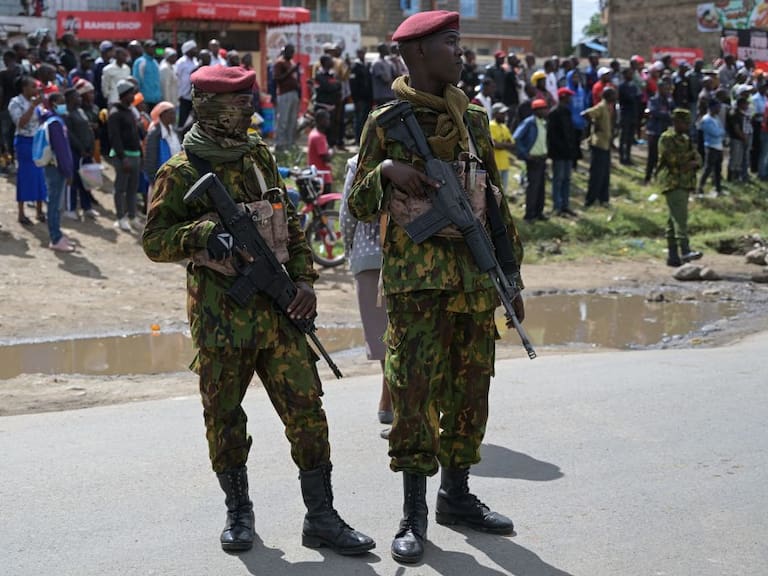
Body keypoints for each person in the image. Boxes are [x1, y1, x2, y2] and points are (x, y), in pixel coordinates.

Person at [142, 63, 375, 556]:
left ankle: (322, 517)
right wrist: (202, 234)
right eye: (240, 102)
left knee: (307, 413)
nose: (251, 109)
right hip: (221, 319)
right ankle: (239, 513)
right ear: (210, 107)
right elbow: (155, 240)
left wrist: (307, 281)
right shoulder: (181, 170)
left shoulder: (259, 158)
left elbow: (289, 222)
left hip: (281, 311)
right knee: (224, 417)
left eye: (250, 100)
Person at [349, 11, 523, 563]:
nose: (461, 53)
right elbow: (355, 204)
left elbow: (493, 198)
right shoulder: (385, 122)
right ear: (418, 53)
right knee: (414, 395)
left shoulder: (470, 116)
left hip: (473, 281)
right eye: (451, 44)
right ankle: (413, 512)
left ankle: (457, 495)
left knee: (471, 390)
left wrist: (510, 276)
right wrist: (385, 174)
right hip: (416, 288)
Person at [339, 154, 391, 430]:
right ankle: (395, 395)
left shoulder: (357, 163)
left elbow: (347, 216)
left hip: (368, 255)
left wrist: (350, 251)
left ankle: (389, 396)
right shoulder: (416, 156)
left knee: (380, 331)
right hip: (413, 257)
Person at [658, 109, 703, 267]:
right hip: (673, 182)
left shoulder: (685, 139)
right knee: (680, 218)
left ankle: (672, 256)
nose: (686, 126)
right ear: (676, 122)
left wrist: (691, 162)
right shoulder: (667, 138)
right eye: (684, 123)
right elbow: (671, 159)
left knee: (673, 220)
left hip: (684, 182)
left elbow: (698, 158)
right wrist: (688, 161)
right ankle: (685, 250)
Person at [38, 92, 75, 252]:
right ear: (53, 103)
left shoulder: (54, 120)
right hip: (57, 168)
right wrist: (68, 172)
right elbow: (61, 150)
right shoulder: (55, 123)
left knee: (55, 203)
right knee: (55, 204)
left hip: (55, 167)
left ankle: (57, 233)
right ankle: (55, 238)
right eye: (61, 102)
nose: (63, 104)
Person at [9, 75, 46, 225]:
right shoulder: (15, 102)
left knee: (40, 176)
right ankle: (21, 213)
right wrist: (32, 106)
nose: (36, 89)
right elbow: (21, 123)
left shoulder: (36, 103)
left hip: (37, 141)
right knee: (25, 176)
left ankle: (39, 210)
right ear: (24, 88)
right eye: (33, 86)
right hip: (24, 142)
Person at [108, 79, 142, 231]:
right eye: (130, 94)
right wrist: (123, 158)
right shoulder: (115, 113)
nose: (133, 96)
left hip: (135, 154)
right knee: (120, 188)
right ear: (123, 95)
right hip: (124, 157)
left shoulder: (129, 111)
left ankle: (132, 216)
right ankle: (120, 217)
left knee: (133, 189)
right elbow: (115, 138)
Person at [62, 87, 98, 220]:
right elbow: (70, 135)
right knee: (74, 181)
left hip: (87, 152)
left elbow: (88, 129)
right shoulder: (67, 114)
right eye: (77, 97)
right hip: (75, 152)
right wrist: (80, 149)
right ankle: (70, 209)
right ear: (70, 99)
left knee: (86, 181)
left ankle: (87, 207)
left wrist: (91, 147)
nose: (80, 99)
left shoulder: (81, 111)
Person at [514, 98, 549, 222]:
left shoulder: (543, 122)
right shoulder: (529, 122)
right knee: (533, 188)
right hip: (533, 159)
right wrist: (525, 154)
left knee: (541, 187)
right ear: (537, 110)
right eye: (544, 108)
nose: (546, 111)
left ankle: (539, 212)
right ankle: (529, 215)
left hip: (542, 158)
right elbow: (517, 137)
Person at [583, 86, 617, 208]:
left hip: (606, 144)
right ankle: (590, 200)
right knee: (596, 174)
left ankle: (603, 198)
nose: (615, 96)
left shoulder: (609, 107)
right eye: (613, 94)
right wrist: (594, 126)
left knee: (605, 173)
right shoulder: (601, 107)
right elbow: (586, 114)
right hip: (599, 144)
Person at [547, 87, 579, 217]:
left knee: (567, 179)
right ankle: (557, 206)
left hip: (568, 152)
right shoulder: (554, 113)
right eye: (569, 96)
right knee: (558, 179)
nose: (570, 99)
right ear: (563, 97)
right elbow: (552, 135)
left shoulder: (567, 111)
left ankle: (565, 205)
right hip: (559, 153)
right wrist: (560, 148)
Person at [644, 78, 674, 184]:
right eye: (664, 89)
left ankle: (659, 177)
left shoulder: (669, 100)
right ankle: (647, 178)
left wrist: (666, 115)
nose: (666, 91)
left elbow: (672, 113)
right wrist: (666, 115)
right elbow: (654, 113)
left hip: (665, 131)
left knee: (663, 156)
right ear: (659, 89)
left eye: (667, 89)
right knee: (652, 156)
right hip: (654, 131)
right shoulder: (653, 100)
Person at [273, 44, 301, 151]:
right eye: (290, 51)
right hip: (284, 94)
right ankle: (279, 144)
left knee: (292, 120)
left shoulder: (291, 62)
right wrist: (291, 71)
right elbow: (277, 78)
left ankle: (289, 144)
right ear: (285, 51)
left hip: (293, 94)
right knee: (283, 120)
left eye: (293, 51)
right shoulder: (279, 62)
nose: (292, 54)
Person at [698, 100, 726, 196]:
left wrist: (721, 132)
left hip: (719, 146)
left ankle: (718, 189)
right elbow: (716, 133)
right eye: (717, 107)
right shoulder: (706, 120)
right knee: (708, 168)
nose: (719, 110)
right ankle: (700, 188)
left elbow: (722, 130)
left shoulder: (716, 118)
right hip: (711, 146)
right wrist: (721, 132)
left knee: (718, 169)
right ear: (711, 108)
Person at [313, 55, 342, 148]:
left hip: (332, 106)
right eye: (330, 60)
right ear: (324, 62)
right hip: (322, 106)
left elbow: (339, 85)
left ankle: (330, 148)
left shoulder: (332, 74)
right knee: (323, 129)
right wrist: (333, 86)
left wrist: (334, 86)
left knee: (331, 128)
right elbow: (328, 87)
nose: (332, 62)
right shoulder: (319, 75)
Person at [489, 102, 515, 197]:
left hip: (505, 163)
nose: (505, 116)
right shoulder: (491, 125)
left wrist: (502, 144)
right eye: (502, 113)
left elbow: (512, 144)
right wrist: (504, 144)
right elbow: (495, 144)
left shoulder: (504, 127)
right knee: (496, 193)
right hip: (496, 164)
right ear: (496, 114)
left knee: (504, 193)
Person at [307, 108, 334, 194]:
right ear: (320, 120)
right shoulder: (319, 137)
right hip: (322, 177)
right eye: (327, 119)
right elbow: (326, 158)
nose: (328, 121)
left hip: (315, 175)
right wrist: (331, 152)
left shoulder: (314, 133)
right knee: (326, 206)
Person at [349, 48, 372, 145]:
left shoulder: (366, 65)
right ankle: (358, 139)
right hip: (359, 98)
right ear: (357, 54)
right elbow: (352, 83)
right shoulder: (355, 66)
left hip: (367, 97)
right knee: (358, 119)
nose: (362, 54)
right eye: (360, 53)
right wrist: (355, 99)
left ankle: (364, 139)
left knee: (366, 119)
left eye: (363, 52)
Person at [618, 67, 640, 165]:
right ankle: (622, 157)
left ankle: (628, 156)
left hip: (632, 114)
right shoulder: (622, 86)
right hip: (625, 113)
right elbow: (629, 98)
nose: (631, 75)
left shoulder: (633, 86)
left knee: (630, 137)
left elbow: (636, 98)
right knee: (624, 136)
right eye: (629, 74)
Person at [133, 40, 161, 112]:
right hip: (145, 99)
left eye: (154, 47)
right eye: (151, 47)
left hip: (156, 98)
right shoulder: (140, 61)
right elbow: (137, 80)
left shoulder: (155, 62)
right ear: (145, 48)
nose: (153, 49)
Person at [176, 40, 198, 129]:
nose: (196, 50)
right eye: (194, 49)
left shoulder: (196, 61)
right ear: (188, 50)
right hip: (184, 95)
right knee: (183, 119)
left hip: (194, 95)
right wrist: (179, 94)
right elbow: (176, 78)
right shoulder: (181, 62)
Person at [371, 43, 395, 107]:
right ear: (381, 50)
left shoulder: (389, 62)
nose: (388, 49)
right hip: (382, 96)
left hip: (390, 95)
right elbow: (385, 79)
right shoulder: (377, 63)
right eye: (386, 48)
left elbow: (396, 75)